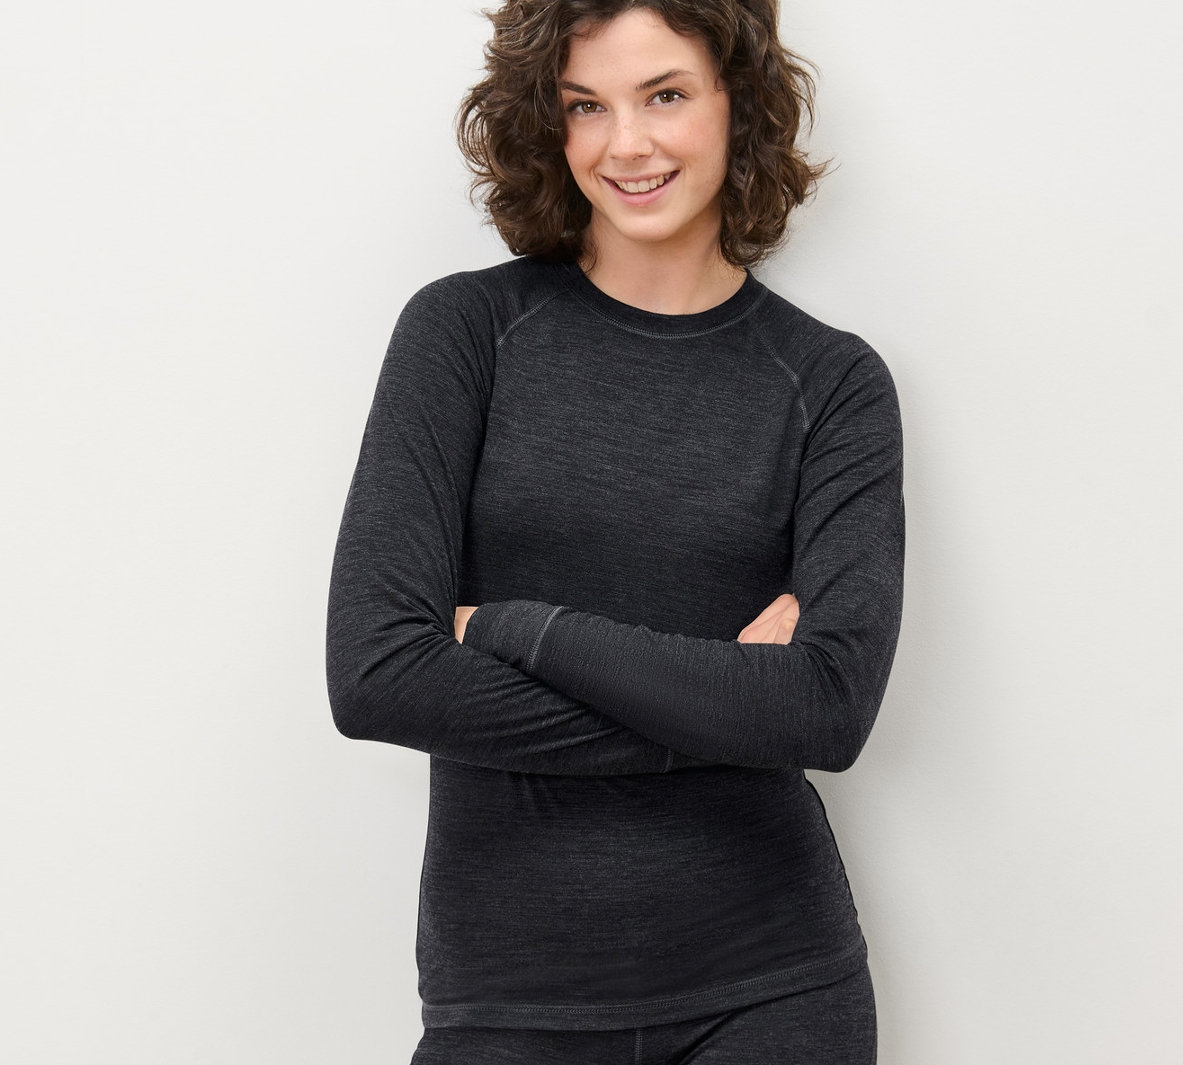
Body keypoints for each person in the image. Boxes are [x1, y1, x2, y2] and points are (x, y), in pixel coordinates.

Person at [325, 0, 905, 1061]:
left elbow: (825, 709)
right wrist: (724, 704)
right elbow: (375, 675)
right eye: (584, 106)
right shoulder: (465, 335)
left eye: (665, 95)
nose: (624, 143)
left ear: (742, 104)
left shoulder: (830, 384)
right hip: (506, 1002)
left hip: (772, 990)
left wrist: (511, 627)